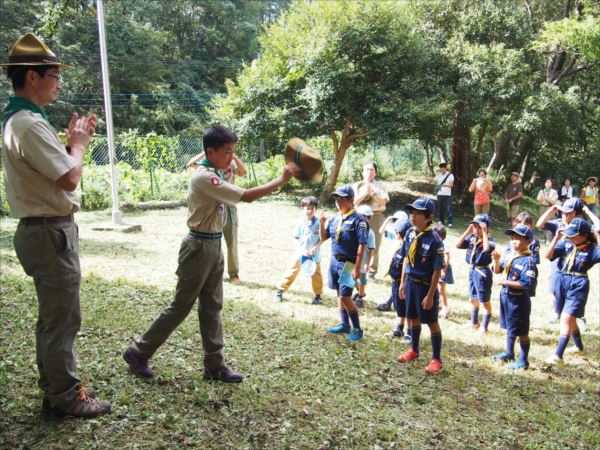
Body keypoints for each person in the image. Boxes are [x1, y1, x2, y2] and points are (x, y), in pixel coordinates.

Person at [123, 125, 301, 382]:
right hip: (198, 247)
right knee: (180, 306)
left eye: (233, 152)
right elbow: (246, 197)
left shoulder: (216, 173)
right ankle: (138, 352)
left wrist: (229, 172)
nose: (231, 157)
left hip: (214, 244)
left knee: (212, 306)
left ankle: (215, 365)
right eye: (227, 152)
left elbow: (229, 196)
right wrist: (282, 179)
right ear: (211, 151)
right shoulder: (204, 177)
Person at [1, 33, 111, 417]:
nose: (58, 82)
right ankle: (64, 397)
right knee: (62, 318)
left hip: (44, 230)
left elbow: (55, 171)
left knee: (53, 318)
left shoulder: (24, 122)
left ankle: (56, 389)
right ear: (32, 77)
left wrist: (74, 142)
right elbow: (68, 178)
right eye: (53, 74)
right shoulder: (28, 124)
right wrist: (78, 145)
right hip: (50, 232)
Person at [397, 198, 444, 373]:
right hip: (410, 282)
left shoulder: (435, 240)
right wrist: (402, 282)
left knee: (432, 322)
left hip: (426, 286)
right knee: (412, 317)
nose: (413, 216)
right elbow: (405, 259)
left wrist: (431, 295)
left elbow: (437, 270)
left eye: (417, 213)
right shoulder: (410, 233)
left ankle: (436, 359)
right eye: (412, 212)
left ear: (429, 217)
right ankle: (414, 350)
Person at [536, 198, 599, 328]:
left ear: (577, 213)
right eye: (563, 212)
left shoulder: (581, 226)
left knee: (575, 295)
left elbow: (598, 228)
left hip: (575, 266)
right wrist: (551, 209)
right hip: (557, 263)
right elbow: (539, 224)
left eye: (569, 213)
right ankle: (557, 313)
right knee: (555, 290)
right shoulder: (559, 224)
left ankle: (579, 317)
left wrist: (588, 211)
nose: (565, 215)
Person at [187, 150, 247, 285]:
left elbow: (243, 172)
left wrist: (234, 156)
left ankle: (234, 273)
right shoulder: (208, 166)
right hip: (212, 208)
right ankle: (211, 271)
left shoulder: (231, 162)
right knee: (212, 240)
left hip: (229, 206)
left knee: (231, 241)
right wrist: (205, 152)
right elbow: (191, 164)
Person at [545, 218, 599, 365]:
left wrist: (597, 235)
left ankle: (558, 355)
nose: (569, 237)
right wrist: (556, 238)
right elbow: (548, 255)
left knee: (566, 318)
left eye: (573, 235)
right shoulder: (567, 244)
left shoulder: (591, 250)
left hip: (578, 284)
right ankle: (579, 347)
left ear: (583, 235)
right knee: (569, 318)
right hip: (563, 281)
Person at [320, 185, 368, 341]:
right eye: (336, 199)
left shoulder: (358, 220)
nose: (338, 202)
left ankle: (357, 328)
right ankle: (344, 324)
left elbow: (362, 244)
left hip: (349, 263)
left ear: (351, 200)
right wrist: (322, 223)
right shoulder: (335, 218)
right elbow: (324, 237)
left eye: (341, 199)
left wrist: (358, 267)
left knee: (346, 296)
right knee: (339, 294)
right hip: (335, 261)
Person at [491, 225, 538, 370]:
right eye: (512, 238)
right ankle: (509, 352)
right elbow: (498, 270)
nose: (513, 241)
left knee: (522, 331)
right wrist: (497, 260)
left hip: (518, 300)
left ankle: (523, 360)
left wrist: (505, 282)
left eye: (518, 238)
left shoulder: (528, 261)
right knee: (510, 327)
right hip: (506, 296)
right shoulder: (511, 255)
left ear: (528, 241)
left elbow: (526, 283)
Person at [273, 196, 323, 305]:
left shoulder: (319, 223)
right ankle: (280, 291)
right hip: (301, 254)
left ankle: (318, 295)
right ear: (302, 209)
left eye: (312, 208)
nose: (309, 210)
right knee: (292, 271)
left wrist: (315, 248)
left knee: (316, 274)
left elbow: (322, 238)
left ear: (316, 209)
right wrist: (300, 250)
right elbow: (295, 237)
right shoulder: (301, 223)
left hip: (314, 255)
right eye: (307, 208)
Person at [456, 214, 495, 334]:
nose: (476, 230)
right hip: (473, 270)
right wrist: (468, 231)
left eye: (479, 227)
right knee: (472, 298)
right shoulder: (472, 238)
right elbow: (458, 245)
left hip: (482, 272)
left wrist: (484, 232)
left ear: (486, 228)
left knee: (484, 301)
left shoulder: (490, 241)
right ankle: (474, 322)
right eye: (474, 227)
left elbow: (487, 249)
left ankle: (484, 326)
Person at [353, 162, 389, 278]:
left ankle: (372, 270)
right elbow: (353, 202)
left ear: (376, 172)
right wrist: (364, 194)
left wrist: (373, 193)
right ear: (362, 172)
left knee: (375, 244)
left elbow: (383, 202)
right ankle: (356, 266)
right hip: (360, 217)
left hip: (376, 216)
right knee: (357, 242)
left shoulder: (381, 186)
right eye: (367, 169)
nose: (369, 172)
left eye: (372, 170)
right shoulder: (356, 186)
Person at [375, 210, 409, 312]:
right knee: (395, 285)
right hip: (395, 263)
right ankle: (389, 303)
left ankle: (390, 303)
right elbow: (381, 231)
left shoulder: (407, 239)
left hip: (403, 266)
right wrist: (389, 219)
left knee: (399, 285)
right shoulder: (396, 235)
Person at [386, 219, 412, 342]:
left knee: (408, 308)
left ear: (399, 233)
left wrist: (403, 283)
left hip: (404, 282)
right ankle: (399, 328)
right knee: (400, 308)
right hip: (395, 281)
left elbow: (406, 266)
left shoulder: (408, 247)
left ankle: (409, 333)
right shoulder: (400, 244)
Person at [352, 205, 376, 308]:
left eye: (366, 216)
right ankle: (360, 291)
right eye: (361, 216)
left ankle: (360, 297)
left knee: (362, 278)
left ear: (370, 218)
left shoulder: (370, 233)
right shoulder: (354, 228)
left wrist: (368, 263)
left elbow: (371, 249)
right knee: (351, 277)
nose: (363, 219)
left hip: (363, 260)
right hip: (353, 259)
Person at [432, 223, 454, 319]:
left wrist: (443, 270)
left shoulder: (444, 244)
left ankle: (445, 308)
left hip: (442, 269)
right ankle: (439, 305)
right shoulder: (436, 243)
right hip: (436, 268)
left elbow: (446, 256)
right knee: (436, 288)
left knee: (441, 290)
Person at [431, 162, 454, 227]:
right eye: (440, 169)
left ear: (445, 168)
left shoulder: (450, 175)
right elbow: (433, 181)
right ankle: (441, 221)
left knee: (449, 209)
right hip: (439, 194)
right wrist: (431, 178)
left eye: (442, 169)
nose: (441, 170)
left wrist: (443, 185)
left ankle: (450, 222)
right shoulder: (438, 175)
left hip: (447, 195)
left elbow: (451, 185)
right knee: (440, 208)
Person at [536, 178, 558, 243]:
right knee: (542, 223)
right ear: (545, 184)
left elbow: (554, 202)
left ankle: (549, 240)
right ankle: (544, 238)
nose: (548, 184)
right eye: (547, 182)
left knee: (549, 223)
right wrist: (541, 199)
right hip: (542, 208)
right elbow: (538, 201)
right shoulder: (541, 191)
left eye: (549, 182)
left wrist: (547, 198)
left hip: (550, 208)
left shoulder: (554, 192)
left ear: (551, 184)